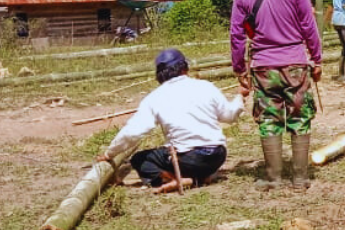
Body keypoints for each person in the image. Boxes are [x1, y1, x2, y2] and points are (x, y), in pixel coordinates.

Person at [230, 0, 324, 191]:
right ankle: (301, 178)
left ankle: (273, 178)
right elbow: (308, 24)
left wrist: (239, 68)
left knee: (269, 119)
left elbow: (236, 34)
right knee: (300, 117)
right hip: (294, 62)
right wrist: (316, 58)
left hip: (262, 65)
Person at [96, 49, 242, 193]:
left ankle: (177, 179)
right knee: (180, 157)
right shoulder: (206, 86)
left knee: (139, 159)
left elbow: (133, 132)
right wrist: (240, 97)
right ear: (185, 68)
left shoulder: (155, 98)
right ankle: (199, 178)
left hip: (188, 160)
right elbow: (229, 116)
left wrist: (109, 153)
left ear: (159, 75)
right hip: (217, 155)